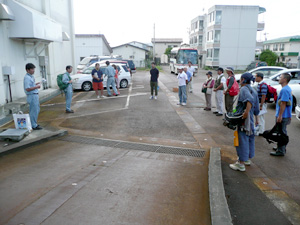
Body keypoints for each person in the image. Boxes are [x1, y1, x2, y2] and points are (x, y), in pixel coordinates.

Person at [229, 72, 259, 172]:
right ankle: (247, 160)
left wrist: (245, 113)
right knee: (250, 138)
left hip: (244, 120)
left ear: (243, 80)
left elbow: (249, 100)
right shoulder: (253, 90)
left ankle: (241, 164)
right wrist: (256, 119)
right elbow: (256, 108)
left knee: (242, 140)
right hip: (250, 120)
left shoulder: (244, 89)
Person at [270, 73, 292, 156]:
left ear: (285, 80)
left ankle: (281, 150)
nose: (279, 78)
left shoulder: (285, 90)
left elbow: (283, 103)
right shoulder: (287, 89)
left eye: (281, 77)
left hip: (283, 115)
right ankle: (281, 147)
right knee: (281, 132)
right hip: (285, 115)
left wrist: (280, 116)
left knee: (281, 133)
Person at [23, 63, 42, 130]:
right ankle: (33, 125)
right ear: (27, 70)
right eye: (32, 69)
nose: (33, 70)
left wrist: (35, 84)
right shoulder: (27, 78)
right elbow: (27, 88)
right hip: (32, 96)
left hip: (34, 95)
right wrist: (36, 87)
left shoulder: (31, 77)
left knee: (36, 110)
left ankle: (34, 123)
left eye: (33, 69)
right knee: (34, 111)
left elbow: (30, 85)